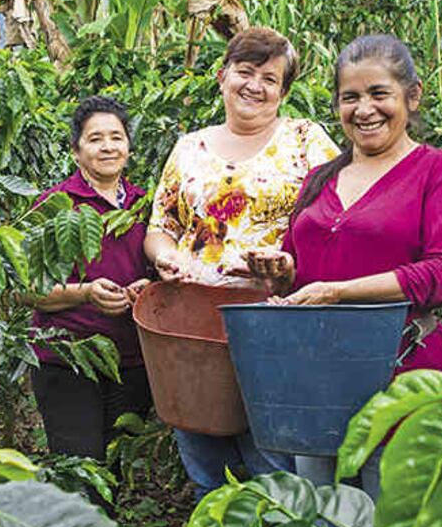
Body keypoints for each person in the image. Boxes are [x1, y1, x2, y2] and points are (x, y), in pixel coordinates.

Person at [246, 34, 442, 527]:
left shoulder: (436, 170)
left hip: (402, 381)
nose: (364, 109)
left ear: (411, 97)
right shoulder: (322, 178)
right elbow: (305, 266)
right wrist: (282, 271)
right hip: (317, 382)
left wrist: (341, 292)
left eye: (380, 94)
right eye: (350, 97)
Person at [143, 26, 340, 495]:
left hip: (275, 325)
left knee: (275, 462)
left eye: (270, 78)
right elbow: (161, 228)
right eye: (245, 71)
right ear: (222, 76)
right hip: (193, 324)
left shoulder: (306, 140)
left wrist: (289, 262)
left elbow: (343, 219)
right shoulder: (190, 146)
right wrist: (168, 258)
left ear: (284, 91)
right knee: (203, 455)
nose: (255, 85)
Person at [29, 96, 152, 460]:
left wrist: (147, 289)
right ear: (76, 151)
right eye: (95, 138)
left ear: (129, 146)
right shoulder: (55, 204)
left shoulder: (144, 205)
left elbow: (163, 271)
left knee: (111, 468)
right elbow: (25, 289)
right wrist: (85, 293)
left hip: (131, 362)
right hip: (67, 360)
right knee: (79, 466)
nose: (108, 147)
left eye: (116, 137)